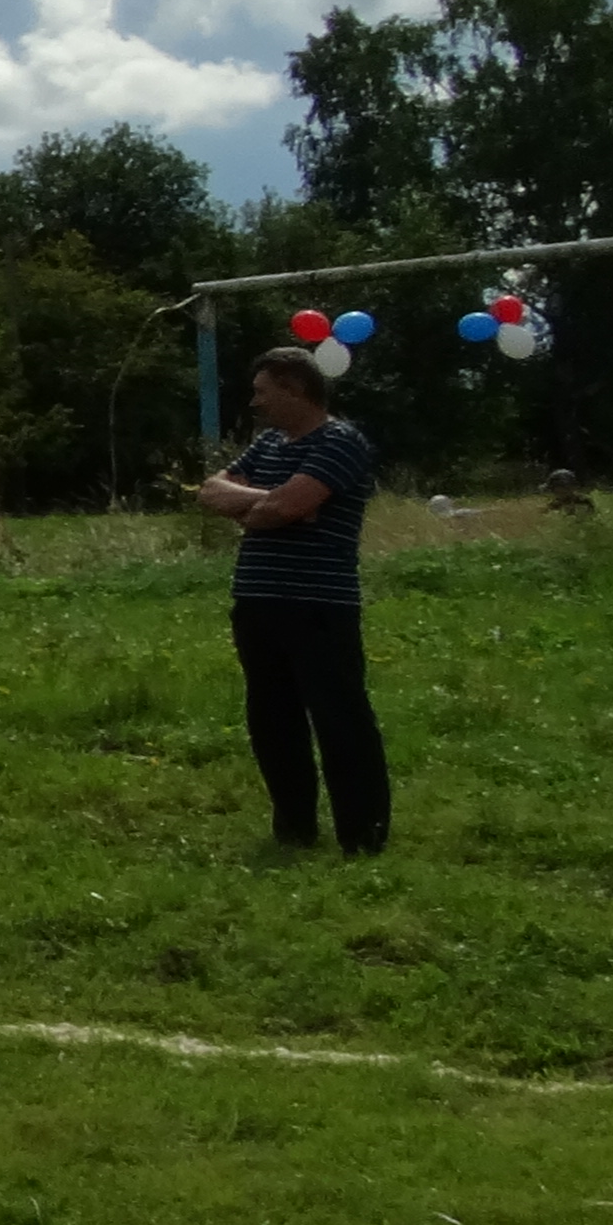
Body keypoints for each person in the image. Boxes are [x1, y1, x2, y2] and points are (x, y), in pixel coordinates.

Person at [196, 347, 388, 854]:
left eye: (263, 392)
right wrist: (275, 503)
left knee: (340, 718)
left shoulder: (340, 441)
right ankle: (295, 829)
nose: (255, 403)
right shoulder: (268, 444)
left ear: (295, 388)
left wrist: (273, 506)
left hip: (318, 605)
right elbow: (211, 492)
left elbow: (282, 509)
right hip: (257, 602)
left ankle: (362, 834)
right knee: (272, 719)